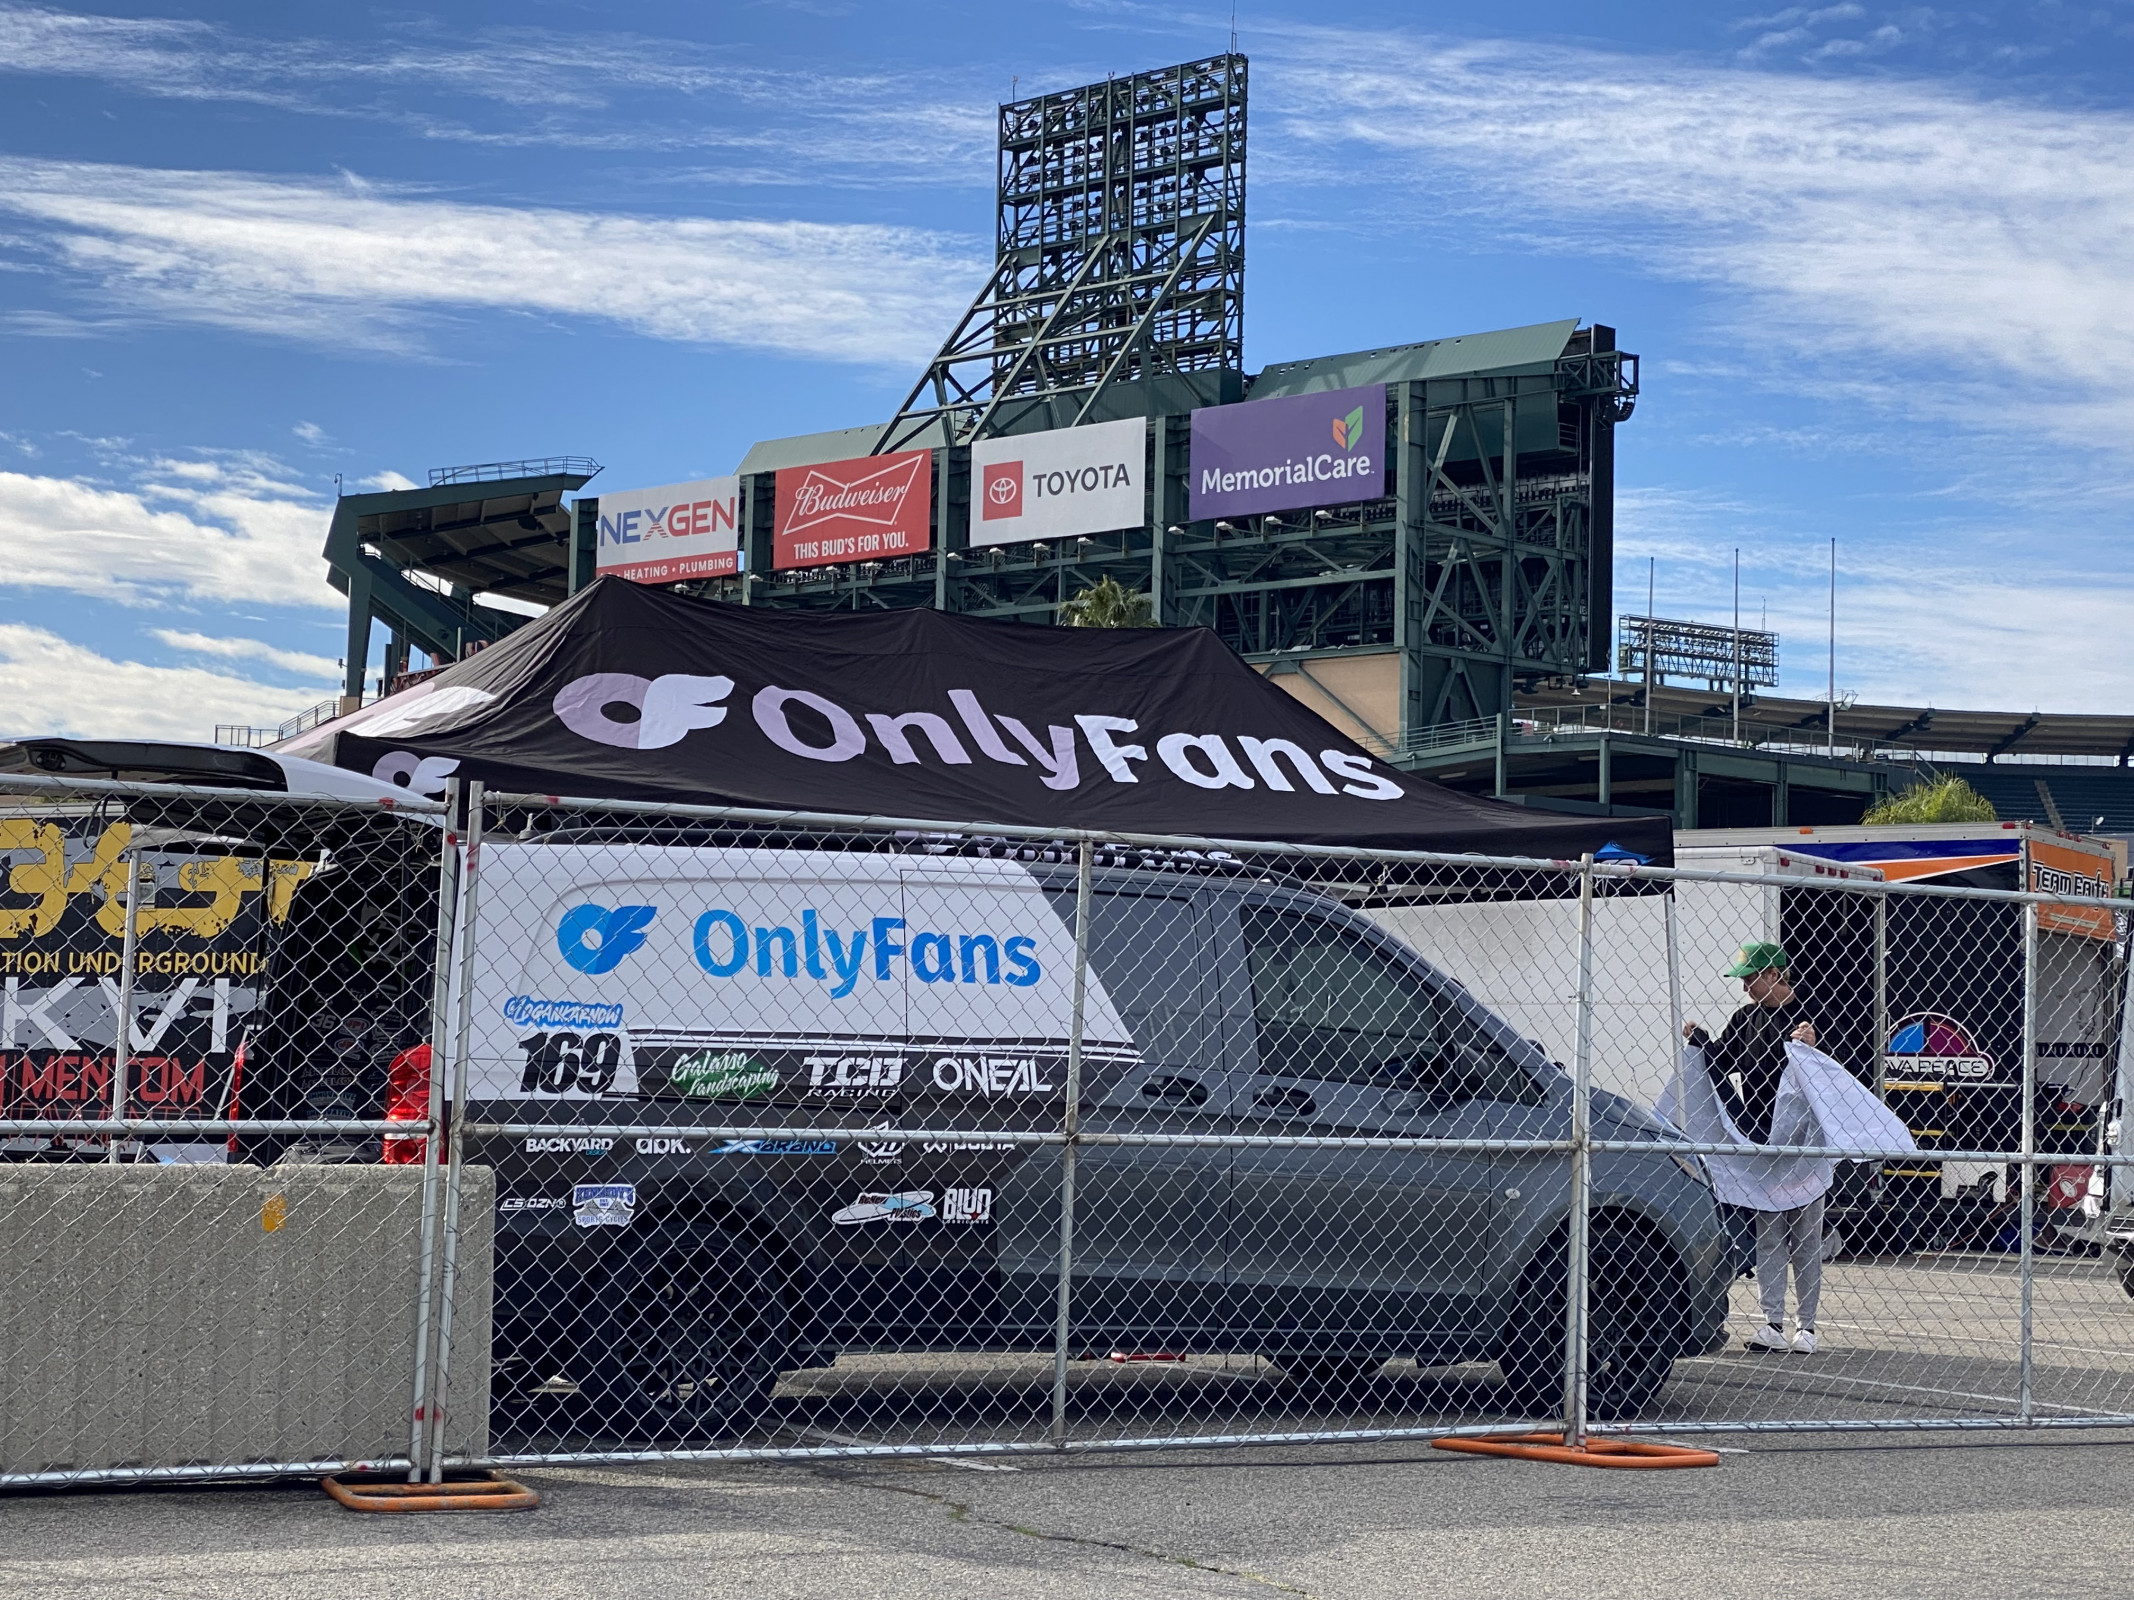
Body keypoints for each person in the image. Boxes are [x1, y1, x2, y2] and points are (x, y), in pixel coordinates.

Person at [1684, 941, 1828, 1355]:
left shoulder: (1815, 1012)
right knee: (1768, 1236)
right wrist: (1698, 1040)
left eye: (1750, 979)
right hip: (1762, 1142)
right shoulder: (1745, 1018)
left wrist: (1816, 1044)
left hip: (1805, 1144)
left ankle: (1807, 1327)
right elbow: (1720, 1061)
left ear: (1775, 975)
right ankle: (1772, 1324)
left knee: (1805, 1239)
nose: (1745, 987)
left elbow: (1839, 1071)